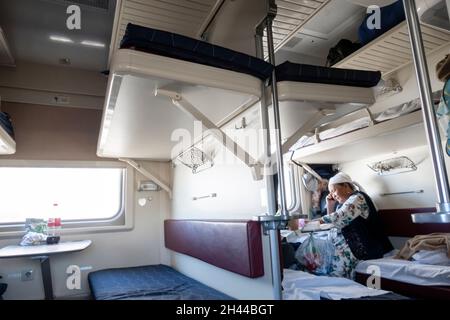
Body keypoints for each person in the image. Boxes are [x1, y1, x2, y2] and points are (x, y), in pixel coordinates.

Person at [317, 172, 393, 279]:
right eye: (330, 192)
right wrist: (330, 205)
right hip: (355, 245)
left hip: (369, 248)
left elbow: (340, 216)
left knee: (334, 270)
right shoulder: (342, 205)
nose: (333, 195)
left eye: (334, 190)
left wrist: (317, 221)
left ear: (346, 186)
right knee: (325, 261)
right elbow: (334, 223)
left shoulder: (358, 198)